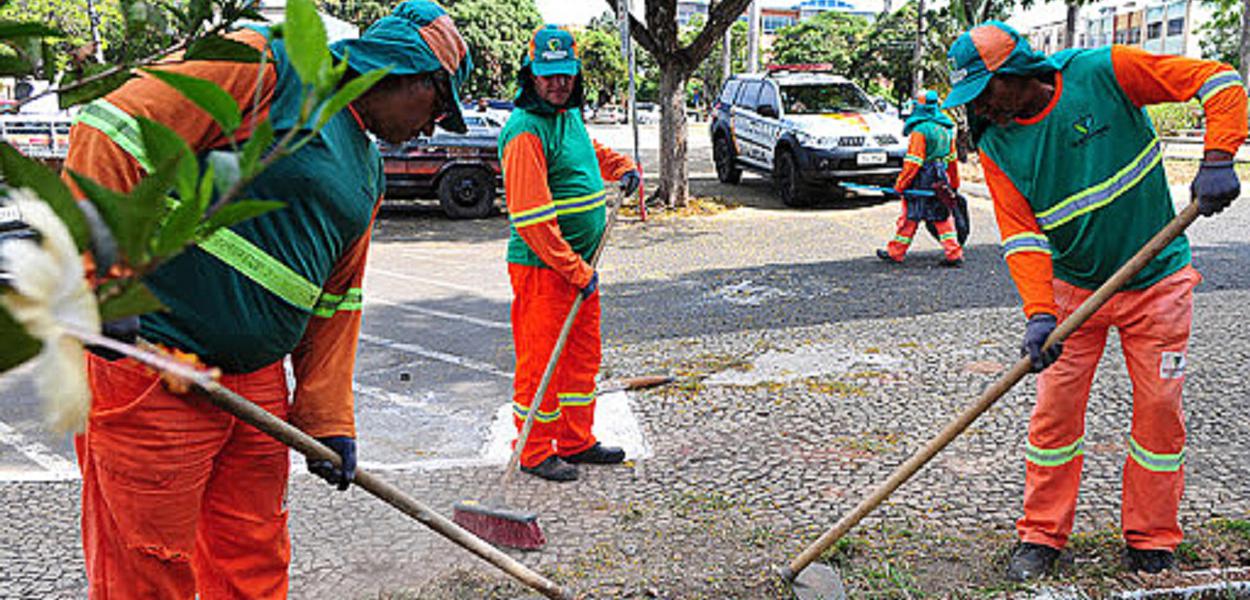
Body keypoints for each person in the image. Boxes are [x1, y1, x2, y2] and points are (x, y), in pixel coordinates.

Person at [62, 2, 471, 597]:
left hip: (254, 383)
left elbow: (337, 302)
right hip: (156, 363)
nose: (433, 127)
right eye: (439, 106)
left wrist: (328, 418)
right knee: (147, 565)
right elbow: (110, 129)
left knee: (252, 559)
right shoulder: (266, 62)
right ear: (407, 69)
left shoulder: (368, 172)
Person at [942, 21, 1245, 581]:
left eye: (987, 93)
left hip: (1158, 283)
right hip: (1071, 293)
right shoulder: (996, 144)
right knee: (1053, 418)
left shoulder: (1106, 72)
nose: (981, 108)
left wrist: (1220, 154)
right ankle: (1040, 536)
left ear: (1018, 73)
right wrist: (1039, 313)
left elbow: (1220, 81)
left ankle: (1152, 539)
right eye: (972, 100)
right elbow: (1024, 238)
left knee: (1159, 415)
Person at [500, 25, 641, 482]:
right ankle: (535, 450)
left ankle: (576, 440)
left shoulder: (568, 117)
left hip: (581, 268)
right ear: (531, 75)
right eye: (547, 75)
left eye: (564, 75)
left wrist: (621, 167)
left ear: (575, 74)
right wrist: (573, 269)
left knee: (581, 359)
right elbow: (534, 222)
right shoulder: (524, 130)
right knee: (541, 363)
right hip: (545, 270)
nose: (557, 83)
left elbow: (588, 152)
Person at [876, 89, 964, 267]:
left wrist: (900, 185)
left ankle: (896, 253)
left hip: (922, 178)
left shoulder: (920, 131)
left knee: (910, 216)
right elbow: (952, 160)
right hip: (941, 178)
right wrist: (954, 184)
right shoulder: (947, 129)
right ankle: (954, 253)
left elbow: (913, 162)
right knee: (942, 217)